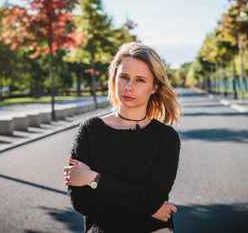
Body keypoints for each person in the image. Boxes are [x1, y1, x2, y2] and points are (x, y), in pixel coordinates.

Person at [64, 42, 181, 233]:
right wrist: (147, 207)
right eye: (124, 77)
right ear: (114, 80)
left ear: (154, 87)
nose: (129, 87)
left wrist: (93, 179)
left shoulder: (165, 138)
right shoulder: (90, 130)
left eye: (140, 80)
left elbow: (154, 198)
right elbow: (82, 203)